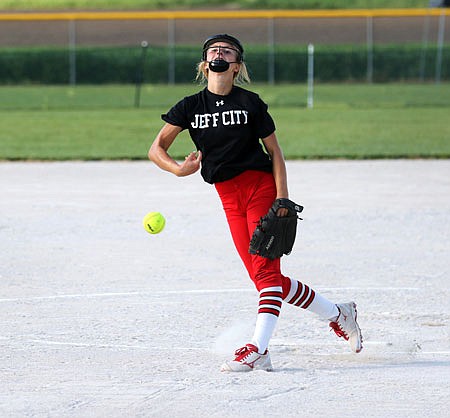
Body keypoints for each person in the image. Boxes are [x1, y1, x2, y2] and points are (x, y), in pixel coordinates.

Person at [148, 34, 363, 372]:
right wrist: (178, 168)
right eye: (213, 51)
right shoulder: (190, 106)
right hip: (228, 196)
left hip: (260, 187)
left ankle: (259, 349)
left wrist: (282, 197)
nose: (219, 53)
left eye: (227, 51)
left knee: (265, 272)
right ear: (205, 65)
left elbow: (275, 152)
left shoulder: (250, 103)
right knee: (263, 278)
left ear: (237, 66)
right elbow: (156, 148)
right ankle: (339, 313)